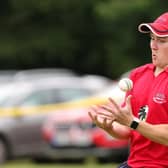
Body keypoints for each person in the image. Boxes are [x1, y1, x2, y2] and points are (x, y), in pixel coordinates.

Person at [88, 12, 168, 168]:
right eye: (152, 38)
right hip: (136, 163)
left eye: (162, 40)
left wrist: (132, 122)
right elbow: (128, 129)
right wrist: (109, 126)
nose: (153, 45)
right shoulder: (138, 75)